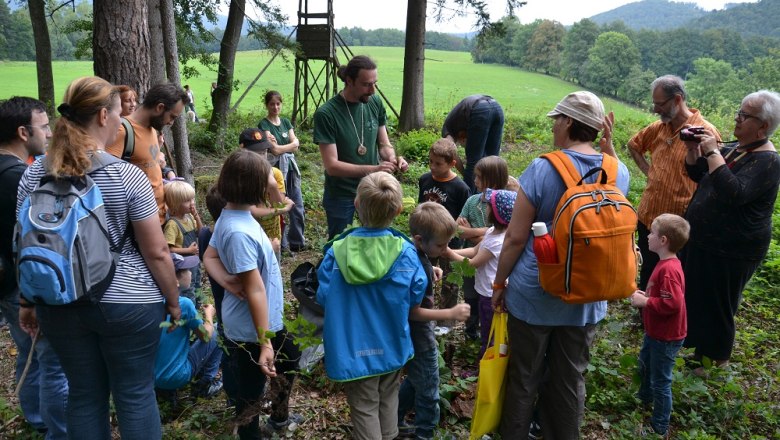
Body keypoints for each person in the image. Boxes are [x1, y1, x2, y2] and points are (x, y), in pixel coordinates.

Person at [16, 76, 180, 439]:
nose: (123, 123)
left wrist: (28, 302)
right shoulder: (127, 177)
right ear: (104, 116)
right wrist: (173, 301)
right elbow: (156, 253)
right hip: (129, 304)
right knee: (135, 395)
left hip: (59, 302)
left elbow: (27, 243)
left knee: (84, 395)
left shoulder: (32, 175)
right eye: (121, 115)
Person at [492, 91, 628, 438]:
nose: (554, 127)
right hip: (588, 293)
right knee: (570, 378)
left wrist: (498, 283)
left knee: (524, 376)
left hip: (536, 291)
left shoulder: (543, 167)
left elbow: (517, 237)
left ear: (568, 122)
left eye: (557, 120)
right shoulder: (617, 171)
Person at [316, 172, 426, 440]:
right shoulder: (406, 251)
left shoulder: (337, 250)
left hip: (352, 347)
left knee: (364, 406)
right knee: (388, 397)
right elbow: (416, 295)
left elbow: (323, 297)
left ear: (356, 205)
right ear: (398, 210)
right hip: (391, 342)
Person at [680, 90, 780, 375]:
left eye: (745, 115)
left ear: (763, 125)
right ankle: (698, 352)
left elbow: (734, 192)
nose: (737, 119)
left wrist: (712, 151)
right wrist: (693, 149)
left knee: (719, 304)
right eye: (739, 111)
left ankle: (716, 360)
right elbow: (701, 174)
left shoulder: (769, 161)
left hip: (733, 248)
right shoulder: (737, 147)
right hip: (705, 239)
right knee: (699, 296)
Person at [202, 149, 283, 439]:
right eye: (266, 182)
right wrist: (265, 344)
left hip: (255, 324)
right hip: (252, 330)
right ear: (256, 188)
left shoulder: (233, 213)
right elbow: (255, 289)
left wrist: (225, 280)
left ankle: (263, 422)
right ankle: (249, 435)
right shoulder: (238, 231)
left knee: (282, 367)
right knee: (250, 394)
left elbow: (209, 256)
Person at [0, 96, 68, 439]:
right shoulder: (18, 178)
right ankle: (53, 427)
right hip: (19, 283)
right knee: (49, 359)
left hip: (5, 281)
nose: (50, 133)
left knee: (27, 351)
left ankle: (35, 415)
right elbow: (28, 238)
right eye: (44, 127)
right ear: (23, 131)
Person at [627, 75, 720, 291]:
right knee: (648, 270)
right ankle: (645, 312)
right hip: (649, 215)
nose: (656, 110)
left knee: (670, 276)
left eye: (660, 104)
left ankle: (665, 316)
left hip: (676, 224)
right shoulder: (658, 128)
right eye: (655, 104)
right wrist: (649, 172)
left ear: (677, 99)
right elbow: (634, 145)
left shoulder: (705, 132)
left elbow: (714, 179)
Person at [313, 55, 409, 239]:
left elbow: (384, 144)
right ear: (349, 81)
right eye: (366, 84)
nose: (372, 90)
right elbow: (332, 166)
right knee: (340, 244)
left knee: (374, 242)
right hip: (342, 195)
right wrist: (375, 169)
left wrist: (392, 158)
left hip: (372, 193)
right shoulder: (327, 114)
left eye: (375, 83)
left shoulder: (374, 103)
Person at [398, 201, 471, 440]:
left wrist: (432, 269)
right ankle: (425, 434)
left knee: (416, 379)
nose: (445, 248)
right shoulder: (417, 261)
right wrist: (449, 314)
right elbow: (413, 311)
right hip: (420, 333)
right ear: (420, 240)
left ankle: (393, 421)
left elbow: (421, 267)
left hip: (412, 333)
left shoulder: (413, 251)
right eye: (441, 244)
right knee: (429, 387)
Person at [629, 213, 690, 438]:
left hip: (666, 336)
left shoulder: (669, 270)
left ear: (663, 240)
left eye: (652, 233)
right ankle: (643, 399)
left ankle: (659, 427)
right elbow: (664, 296)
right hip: (655, 332)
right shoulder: (666, 264)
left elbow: (672, 303)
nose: (648, 236)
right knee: (644, 364)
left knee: (661, 381)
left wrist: (646, 301)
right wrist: (647, 294)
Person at [447, 188, 516, 359]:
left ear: (497, 213)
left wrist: (448, 254)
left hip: (491, 295)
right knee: (488, 328)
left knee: (490, 333)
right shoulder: (492, 232)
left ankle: (486, 365)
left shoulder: (497, 242)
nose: (485, 207)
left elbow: (472, 263)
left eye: (489, 205)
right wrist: (450, 250)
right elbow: (473, 250)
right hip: (485, 291)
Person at [107, 82, 189, 224]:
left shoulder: (152, 129)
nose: (171, 123)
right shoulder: (122, 131)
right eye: (172, 117)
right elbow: (107, 181)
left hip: (160, 218)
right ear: (160, 108)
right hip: (139, 225)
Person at [418, 138, 470, 330]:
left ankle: (445, 322)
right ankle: (424, 312)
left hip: (450, 243)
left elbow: (462, 218)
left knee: (450, 281)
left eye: (438, 163)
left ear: (452, 164)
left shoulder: (460, 188)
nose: (432, 166)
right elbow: (420, 208)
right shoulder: (424, 180)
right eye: (430, 161)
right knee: (424, 275)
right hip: (426, 240)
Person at [154, 253, 222, 398]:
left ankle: (165, 392)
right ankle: (206, 383)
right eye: (185, 270)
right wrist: (209, 315)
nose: (190, 272)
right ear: (175, 280)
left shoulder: (150, 301)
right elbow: (205, 337)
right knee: (217, 330)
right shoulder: (183, 304)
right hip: (177, 376)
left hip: (149, 379)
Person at [456, 155, 509, 339]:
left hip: (490, 269)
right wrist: (482, 232)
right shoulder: (473, 201)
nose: (474, 180)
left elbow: (498, 241)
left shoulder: (504, 203)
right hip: (477, 261)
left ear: (492, 181)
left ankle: (486, 341)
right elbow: (459, 230)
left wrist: (475, 234)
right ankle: (471, 331)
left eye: (479, 177)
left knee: (488, 306)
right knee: (471, 295)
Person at [259, 90, 306, 252]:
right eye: (272, 104)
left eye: (278, 104)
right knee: (279, 204)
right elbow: (275, 150)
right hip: (276, 170)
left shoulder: (286, 122)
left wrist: (283, 147)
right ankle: (282, 244)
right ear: (267, 105)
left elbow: (295, 145)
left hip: (291, 168)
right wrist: (289, 146)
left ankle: (298, 242)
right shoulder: (264, 124)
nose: (275, 107)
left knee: (297, 204)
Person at [238, 128, 294, 260]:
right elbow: (253, 212)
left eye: (263, 152)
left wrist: (272, 185)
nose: (261, 157)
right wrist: (283, 209)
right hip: (250, 238)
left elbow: (277, 204)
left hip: (274, 237)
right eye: (255, 153)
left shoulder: (275, 173)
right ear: (242, 150)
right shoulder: (240, 177)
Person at [441, 94, 505, 192]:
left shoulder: (447, 129)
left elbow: (452, 153)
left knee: (473, 162)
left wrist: (466, 173)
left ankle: (468, 200)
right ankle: (493, 197)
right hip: (496, 106)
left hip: (480, 109)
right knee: (493, 160)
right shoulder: (459, 122)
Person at [163, 179, 203, 297]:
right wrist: (188, 251)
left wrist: (196, 217)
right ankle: (190, 312)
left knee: (197, 285)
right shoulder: (172, 224)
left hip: (194, 261)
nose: (192, 203)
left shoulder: (190, 217)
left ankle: (198, 309)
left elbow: (200, 233)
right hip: (183, 266)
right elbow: (168, 250)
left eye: (192, 199)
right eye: (187, 201)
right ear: (175, 204)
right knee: (187, 290)